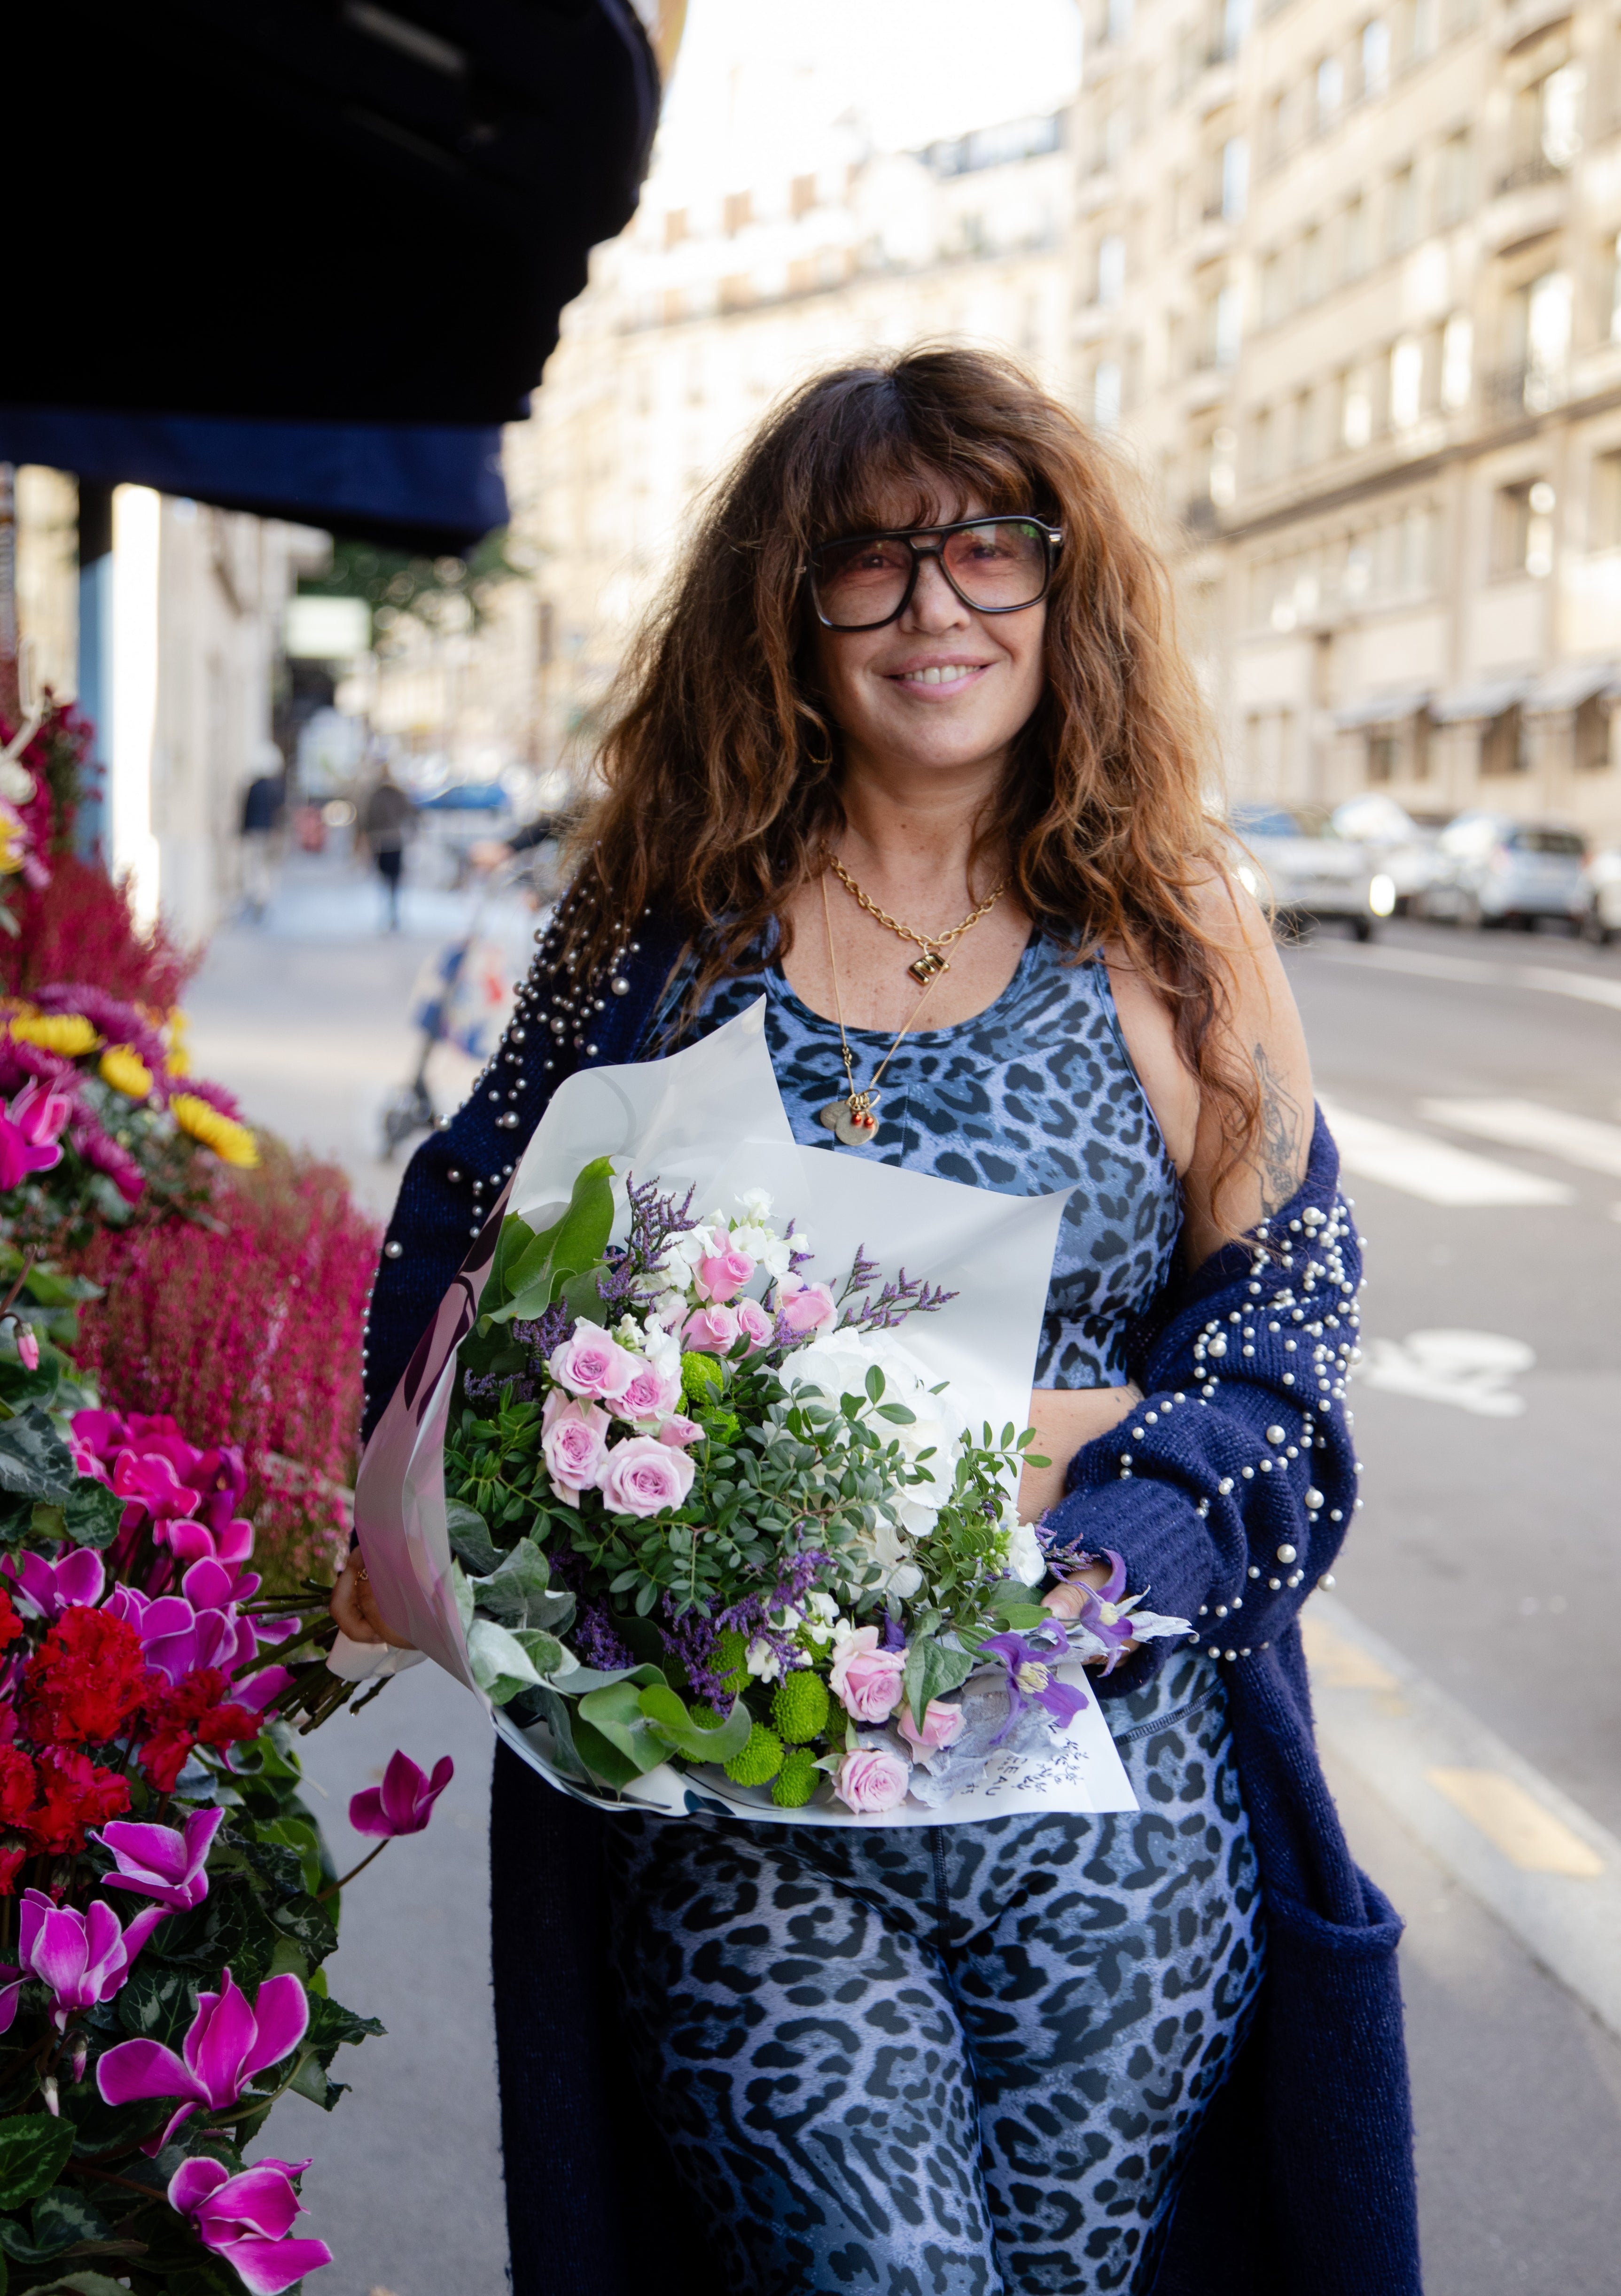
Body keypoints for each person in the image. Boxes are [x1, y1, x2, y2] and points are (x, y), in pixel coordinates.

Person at [341, 349, 1418, 2296]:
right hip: (743, 1813)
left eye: (987, 550)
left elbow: (1282, 1328)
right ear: (790, 608)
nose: (935, 608)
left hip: (1113, 1798)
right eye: (871, 560)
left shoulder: (1174, 928)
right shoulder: (661, 927)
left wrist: (1113, 1541)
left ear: (1059, 588)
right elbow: (458, 1233)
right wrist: (459, 1516)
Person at [360, 761, 415, 931]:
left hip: (382, 841)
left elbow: (368, 819)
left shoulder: (376, 795)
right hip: (394, 840)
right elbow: (409, 814)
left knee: (386, 878)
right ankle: (393, 911)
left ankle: (390, 911)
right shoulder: (397, 794)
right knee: (394, 879)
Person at [237, 747, 285, 920]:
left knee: (256, 866)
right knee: (266, 866)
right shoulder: (276, 788)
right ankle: (263, 897)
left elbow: (246, 811)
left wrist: (243, 831)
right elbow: (280, 813)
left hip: (255, 833)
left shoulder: (254, 788)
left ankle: (257, 896)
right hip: (269, 833)